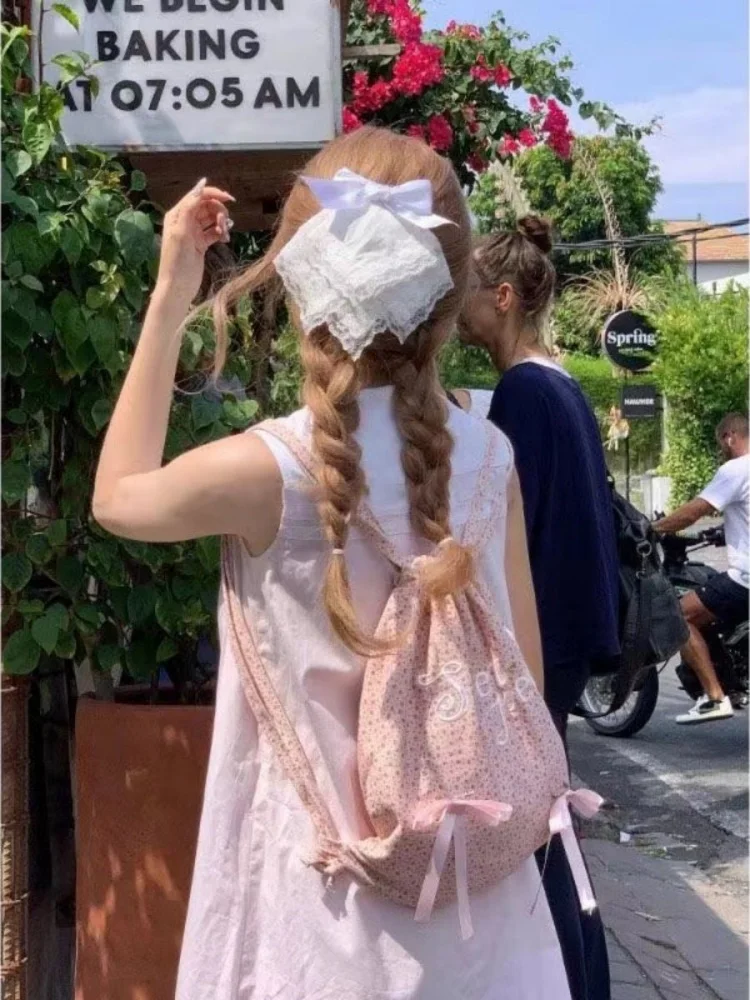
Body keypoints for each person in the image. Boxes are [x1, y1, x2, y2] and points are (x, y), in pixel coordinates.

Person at [93, 129, 607, 999]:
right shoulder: (491, 457)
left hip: (319, 916)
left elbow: (118, 496)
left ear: (301, 282)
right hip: (485, 919)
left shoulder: (266, 470)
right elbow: (520, 666)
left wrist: (171, 291)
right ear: (448, 296)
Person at [459, 217, 621, 747]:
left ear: (502, 297)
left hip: (544, 627)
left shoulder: (523, 390)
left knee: (533, 806)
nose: (457, 303)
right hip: (574, 621)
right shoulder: (560, 381)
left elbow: (513, 524)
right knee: (548, 787)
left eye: (466, 289)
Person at [654, 413, 749, 724]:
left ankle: (714, 696)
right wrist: (722, 532)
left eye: (720, 441)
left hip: (745, 578)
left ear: (729, 437)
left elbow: (695, 510)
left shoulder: (736, 468)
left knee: (679, 614)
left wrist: (655, 528)